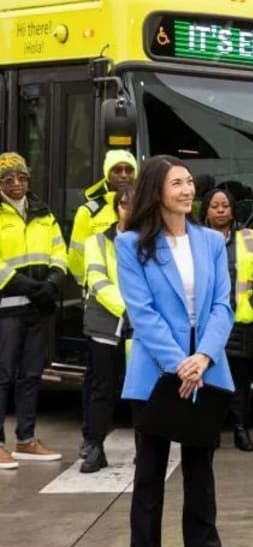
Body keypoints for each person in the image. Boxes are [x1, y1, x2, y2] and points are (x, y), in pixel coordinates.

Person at [116, 155, 234, 547]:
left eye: (188, 182)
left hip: (206, 369)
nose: (187, 190)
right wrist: (179, 364)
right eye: (176, 184)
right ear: (156, 190)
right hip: (156, 373)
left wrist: (203, 357)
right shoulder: (130, 245)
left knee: (201, 475)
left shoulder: (212, 241)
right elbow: (142, 312)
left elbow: (222, 306)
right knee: (149, 474)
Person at [0, 151, 68, 470]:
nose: (16, 183)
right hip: (6, 308)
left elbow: (59, 249)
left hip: (38, 308)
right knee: (2, 376)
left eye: (21, 177)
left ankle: (25, 439)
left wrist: (53, 283)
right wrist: (26, 286)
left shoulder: (43, 212)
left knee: (30, 375)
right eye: (8, 179)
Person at [200, 187, 253, 452]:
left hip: (240, 321)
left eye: (225, 206)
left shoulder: (250, 238)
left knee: (240, 379)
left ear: (233, 210)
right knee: (207, 379)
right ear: (205, 210)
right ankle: (210, 432)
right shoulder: (194, 239)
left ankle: (241, 429)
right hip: (207, 322)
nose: (220, 210)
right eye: (214, 206)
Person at [78, 186, 134, 473]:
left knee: (143, 390)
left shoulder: (152, 241)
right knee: (103, 388)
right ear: (116, 208)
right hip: (107, 323)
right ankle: (95, 446)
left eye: (135, 205)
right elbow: (98, 282)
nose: (129, 210)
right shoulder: (97, 242)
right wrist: (128, 311)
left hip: (140, 325)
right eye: (124, 205)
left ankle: (147, 450)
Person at [69, 149, 139, 285]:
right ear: (108, 174)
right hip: (101, 291)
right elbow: (76, 256)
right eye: (117, 170)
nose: (124, 175)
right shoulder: (88, 211)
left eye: (129, 170)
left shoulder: (146, 207)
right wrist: (87, 284)